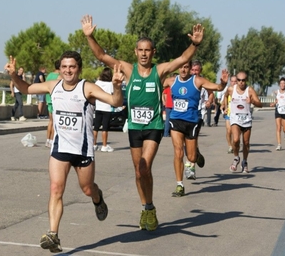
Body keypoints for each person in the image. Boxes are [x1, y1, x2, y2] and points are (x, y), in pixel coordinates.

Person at [82, 14, 204, 231]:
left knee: (144, 167)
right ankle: (147, 207)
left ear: (153, 52)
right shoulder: (128, 69)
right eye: (141, 50)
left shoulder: (159, 70)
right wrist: (90, 36)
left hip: (154, 126)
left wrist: (194, 44)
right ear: (135, 52)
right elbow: (101, 55)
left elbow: (182, 59)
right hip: (134, 127)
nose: (144, 53)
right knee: (139, 172)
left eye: (148, 50)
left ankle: (149, 208)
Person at [5, 51, 124, 253]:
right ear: (59, 69)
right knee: (55, 189)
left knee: (87, 188)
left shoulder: (87, 88)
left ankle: (97, 197)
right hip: (60, 148)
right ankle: (53, 234)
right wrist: (14, 76)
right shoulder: (53, 86)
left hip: (83, 150)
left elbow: (116, 102)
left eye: (72, 66)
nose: (68, 70)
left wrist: (117, 87)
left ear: (78, 68)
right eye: (64, 67)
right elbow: (25, 89)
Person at [164, 61, 228, 197]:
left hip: (192, 121)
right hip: (176, 120)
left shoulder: (197, 81)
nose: (183, 69)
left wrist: (222, 83)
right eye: (180, 67)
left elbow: (217, 87)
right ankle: (179, 185)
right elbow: (152, 86)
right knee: (178, 152)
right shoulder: (171, 81)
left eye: (186, 67)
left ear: (190, 69)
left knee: (191, 156)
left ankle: (196, 156)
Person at [224, 71, 262, 173]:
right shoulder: (231, 89)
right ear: (236, 80)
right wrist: (225, 106)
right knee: (236, 140)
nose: (241, 82)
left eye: (243, 80)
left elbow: (260, 104)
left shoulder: (249, 90)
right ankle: (236, 158)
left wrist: (252, 101)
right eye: (239, 80)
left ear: (246, 80)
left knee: (246, 142)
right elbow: (225, 95)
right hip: (235, 118)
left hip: (246, 119)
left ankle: (244, 161)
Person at [93, 67, 115, 152]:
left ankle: (94, 144)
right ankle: (104, 145)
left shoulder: (97, 82)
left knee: (96, 127)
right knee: (105, 128)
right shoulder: (110, 84)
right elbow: (113, 94)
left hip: (98, 107)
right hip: (107, 107)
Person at [269, 77, 285, 151]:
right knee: (278, 128)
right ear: (279, 84)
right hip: (278, 111)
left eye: (284, 83)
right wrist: (273, 104)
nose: (282, 84)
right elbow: (277, 100)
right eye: (281, 83)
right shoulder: (277, 92)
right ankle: (279, 144)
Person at [45, 60, 61, 148]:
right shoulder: (59, 76)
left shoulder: (49, 75)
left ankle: (48, 140)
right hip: (55, 100)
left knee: (50, 121)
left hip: (48, 100)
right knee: (55, 122)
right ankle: (52, 140)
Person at [221, 75, 237, 153]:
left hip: (237, 114)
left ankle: (235, 144)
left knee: (235, 132)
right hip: (229, 113)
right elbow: (225, 96)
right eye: (232, 81)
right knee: (228, 131)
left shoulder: (240, 90)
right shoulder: (229, 89)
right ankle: (230, 146)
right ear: (230, 82)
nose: (233, 83)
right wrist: (226, 107)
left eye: (235, 81)